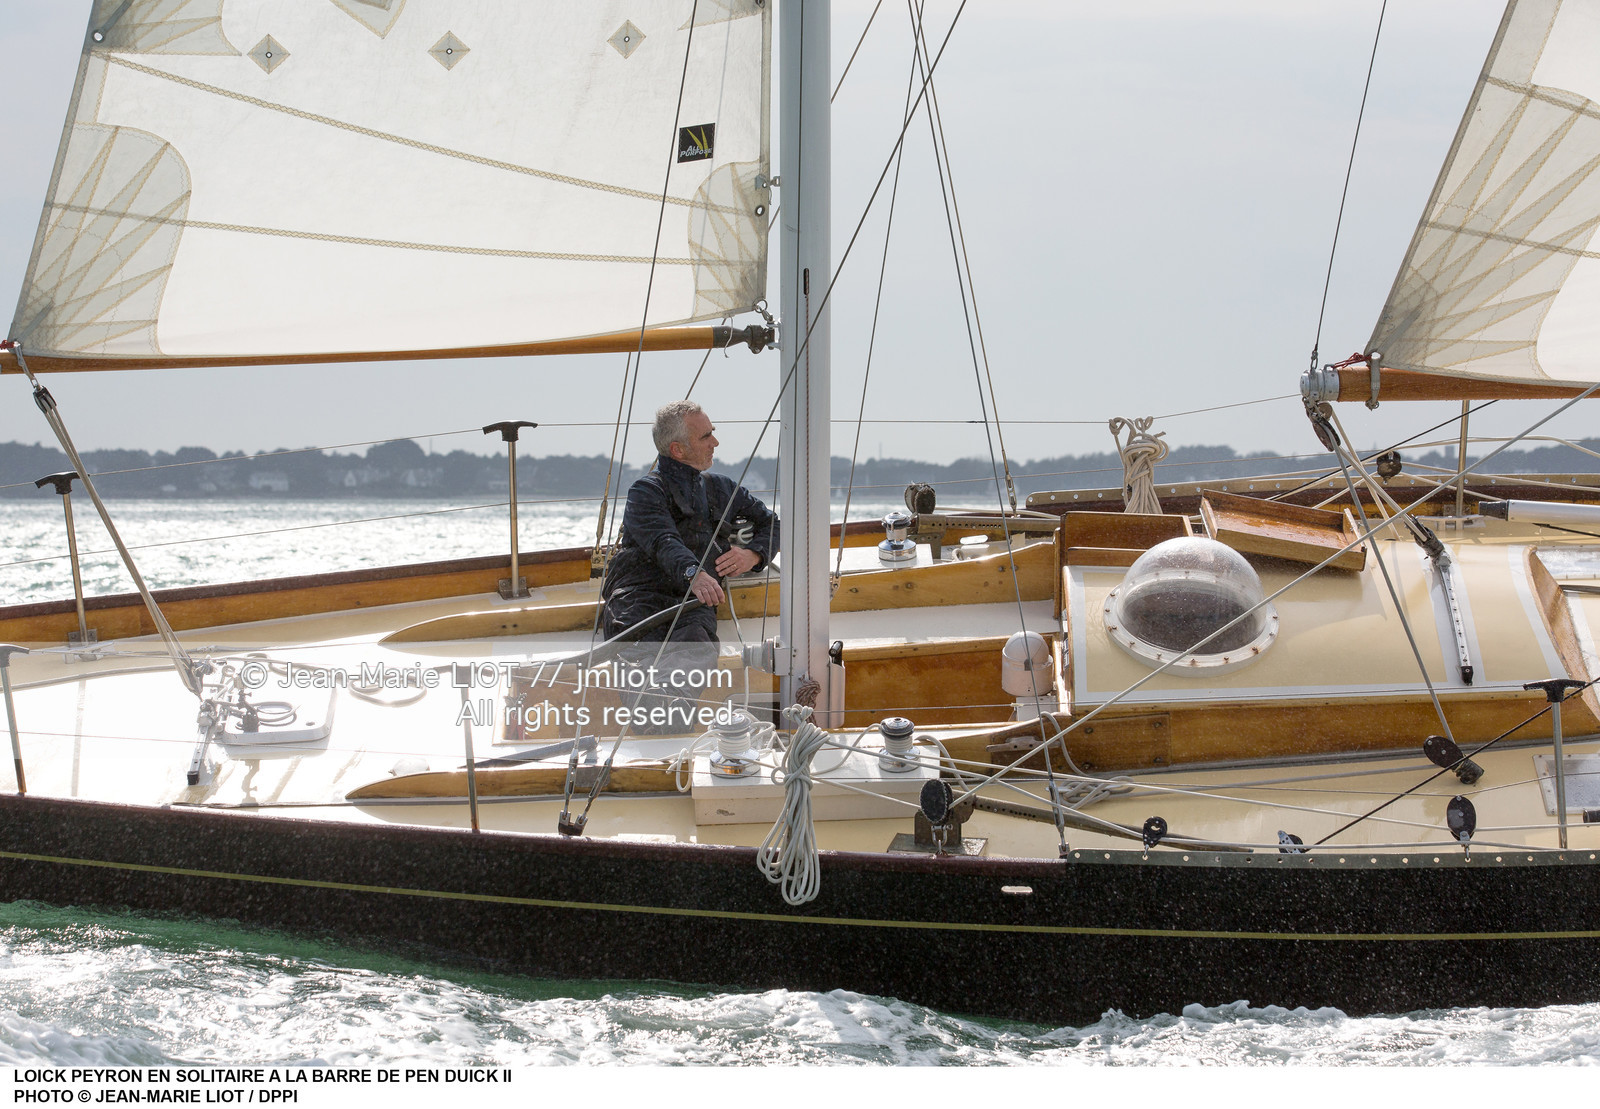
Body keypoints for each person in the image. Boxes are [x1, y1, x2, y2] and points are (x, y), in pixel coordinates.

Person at [599, 400, 779, 730]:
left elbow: (773, 523)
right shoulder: (644, 492)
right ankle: (653, 705)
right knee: (635, 648)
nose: (715, 442)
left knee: (696, 641)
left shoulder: (721, 488)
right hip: (640, 596)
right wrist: (693, 573)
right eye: (706, 436)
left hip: (691, 602)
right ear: (678, 450)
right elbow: (663, 541)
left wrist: (753, 554)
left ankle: (668, 704)